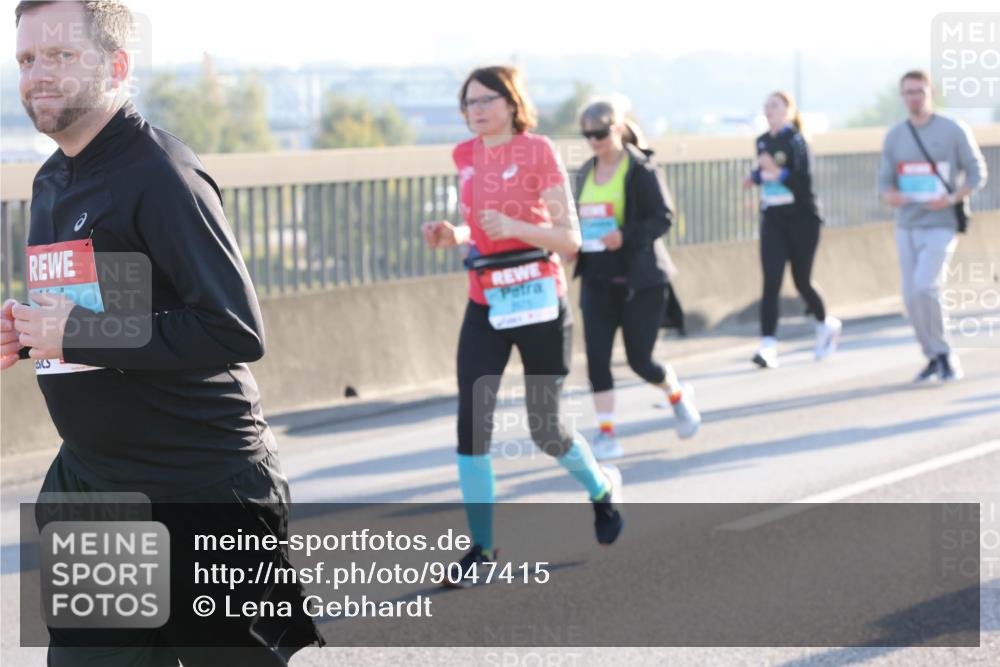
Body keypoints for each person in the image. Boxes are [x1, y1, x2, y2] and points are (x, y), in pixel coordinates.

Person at [2, 2, 323, 664]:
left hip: (201, 486)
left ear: (116, 65)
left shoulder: (160, 172)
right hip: (95, 486)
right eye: (28, 59)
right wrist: (27, 330)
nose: (37, 74)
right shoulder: (51, 180)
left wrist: (78, 330)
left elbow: (232, 326)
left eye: (60, 55)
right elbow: (115, 318)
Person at [422, 66, 624, 586]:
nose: (477, 109)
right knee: (471, 422)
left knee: (545, 429)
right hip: (486, 300)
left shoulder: (538, 151)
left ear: (512, 104)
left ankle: (601, 490)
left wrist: (515, 227)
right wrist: (455, 233)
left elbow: (570, 239)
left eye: (487, 99)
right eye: (468, 102)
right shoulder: (464, 156)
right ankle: (483, 549)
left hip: (538, 299)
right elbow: (479, 227)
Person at [572, 98, 700, 460]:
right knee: (596, 359)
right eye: (586, 135)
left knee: (639, 361)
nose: (593, 141)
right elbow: (578, 219)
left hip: (639, 281)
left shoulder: (641, 169)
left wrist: (624, 236)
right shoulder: (585, 172)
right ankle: (606, 434)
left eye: (598, 133)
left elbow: (664, 218)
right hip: (596, 278)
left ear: (616, 129)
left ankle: (675, 393)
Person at [877, 70, 988, 382]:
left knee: (927, 285)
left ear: (930, 93)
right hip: (907, 223)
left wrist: (952, 198)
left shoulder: (952, 129)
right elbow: (883, 183)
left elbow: (978, 173)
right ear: (902, 96)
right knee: (911, 296)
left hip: (941, 221)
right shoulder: (896, 135)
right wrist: (891, 196)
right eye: (908, 92)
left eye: (919, 91)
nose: (914, 97)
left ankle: (945, 353)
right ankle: (931, 356)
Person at [743, 91, 841, 369]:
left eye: (775, 105)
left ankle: (826, 323)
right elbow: (763, 171)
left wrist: (776, 170)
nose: (769, 110)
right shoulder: (762, 140)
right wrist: (754, 177)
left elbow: (802, 182)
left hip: (802, 218)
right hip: (773, 216)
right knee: (771, 280)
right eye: (766, 106)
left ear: (788, 110)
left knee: (801, 281)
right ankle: (767, 346)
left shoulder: (796, 140)